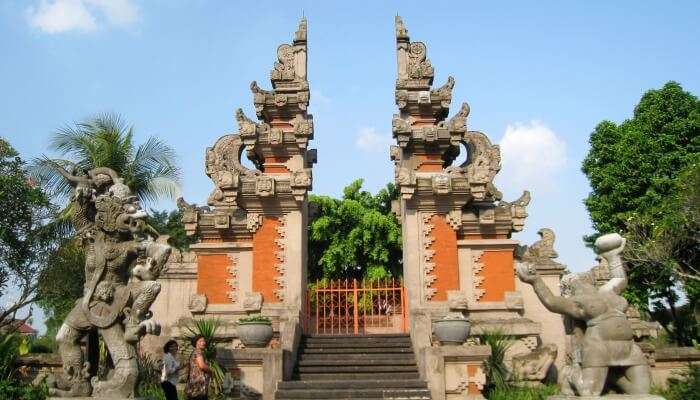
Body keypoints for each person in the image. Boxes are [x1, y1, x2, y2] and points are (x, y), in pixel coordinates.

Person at [185, 335, 212, 400]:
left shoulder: (195, 352)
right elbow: (202, 366)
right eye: (200, 341)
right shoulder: (198, 352)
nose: (203, 343)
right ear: (196, 343)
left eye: (204, 341)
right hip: (198, 384)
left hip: (195, 383)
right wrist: (210, 370)